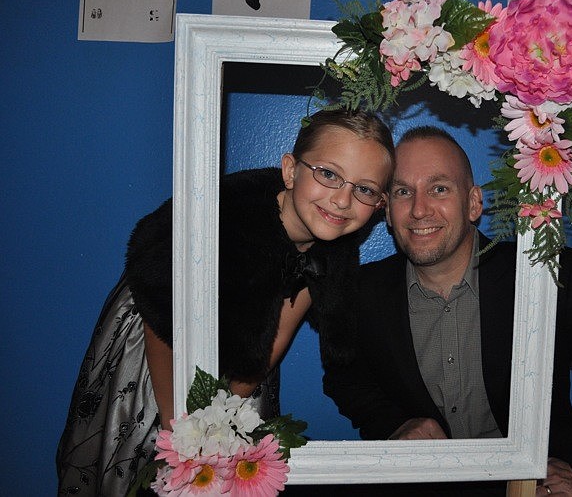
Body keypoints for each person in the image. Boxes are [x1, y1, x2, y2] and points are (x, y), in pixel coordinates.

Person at [56, 109, 395, 496]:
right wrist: (179, 430)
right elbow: (160, 311)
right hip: (157, 346)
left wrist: (217, 426)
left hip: (242, 352)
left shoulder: (331, 252)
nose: (341, 199)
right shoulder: (225, 213)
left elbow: (270, 344)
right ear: (290, 171)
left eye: (365, 189)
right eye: (329, 174)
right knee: (138, 461)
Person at [323, 126, 572, 496]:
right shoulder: (358, 295)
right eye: (403, 191)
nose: (419, 208)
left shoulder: (540, 278)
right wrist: (395, 424)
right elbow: (345, 378)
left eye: (439, 188)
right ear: (387, 212)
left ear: (474, 203)